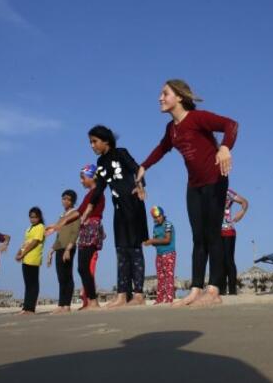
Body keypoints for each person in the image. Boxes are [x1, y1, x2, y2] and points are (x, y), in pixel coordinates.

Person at [137, 79, 238, 308]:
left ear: (179, 97)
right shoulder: (171, 129)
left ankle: (213, 289)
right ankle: (195, 289)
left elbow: (231, 125)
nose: (160, 98)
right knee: (197, 237)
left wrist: (224, 148)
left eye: (165, 93)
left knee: (213, 234)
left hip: (215, 180)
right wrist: (143, 166)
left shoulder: (197, 118)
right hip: (194, 186)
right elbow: (162, 148)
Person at [81, 127, 148, 308]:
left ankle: (139, 294)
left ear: (106, 141)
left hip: (133, 205)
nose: (92, 145)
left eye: (94, 141)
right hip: (119, 210)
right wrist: (88, 209)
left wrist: (141, 186)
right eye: (90, 142)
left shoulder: (121, 153)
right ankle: (121, 295)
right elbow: (100, 186)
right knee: (121, 250)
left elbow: (137, 169)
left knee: (134, 249)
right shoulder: (100, 162)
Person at [47, 164, 106, 310]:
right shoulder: (89, 193)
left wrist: (65, 221)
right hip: (85, 230)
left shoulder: (97, 192)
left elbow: (82, 212)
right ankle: (91, 300)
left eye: (83, 178)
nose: (81, 181)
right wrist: (58, 224)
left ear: (92, 177)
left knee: (83, 266)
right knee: (82, 268)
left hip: (91, 228)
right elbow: (79, 211)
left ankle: (93, 301)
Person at [46, 189, 80, 314]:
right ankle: (61, 304)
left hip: (68, 248)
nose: (65, 201)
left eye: (68, 199)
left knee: (67, 276)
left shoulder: (75, 213)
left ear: (73, 201)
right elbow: (58, 236)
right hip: (59, 248)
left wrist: (68, 249)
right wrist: (51, 250)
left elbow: (75, 232)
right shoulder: (61, 216)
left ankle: (67, 305)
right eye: (63, 198)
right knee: (60, 277)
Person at [15, 207, 46, 314]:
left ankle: (31, 308)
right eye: (31, 217)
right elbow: (25, 242)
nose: (32, 219)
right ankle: (26, 307)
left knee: (33, 283)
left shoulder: (41, 227)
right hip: (25, 258)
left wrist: (23, 253)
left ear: (39, 217)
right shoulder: (29, 228)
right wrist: (19, 252)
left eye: (35, 217)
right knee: (27, 284)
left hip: (33, 257)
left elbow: (34, 242)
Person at [143, 206, 176, 304]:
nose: (157, 218)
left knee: (168, 276)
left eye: (159, 216)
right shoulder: (155, 227)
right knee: (160, 277)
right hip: (159, 255)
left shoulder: (168, 224)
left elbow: (167, 239)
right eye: (155, 217)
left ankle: (169, 298)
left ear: (162, 215)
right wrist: (149, 242)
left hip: (169, 253)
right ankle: (160, 298)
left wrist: (152, 240)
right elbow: (155, 242)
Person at [220, 188, 248, 295]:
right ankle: (221, 291)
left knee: (228, 261)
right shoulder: (208, 190)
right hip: (214, 232)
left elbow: (245, 202)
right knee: (219, 262)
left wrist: (242, 212)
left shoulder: (227, 192)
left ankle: (232, 291)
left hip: (228, 230)